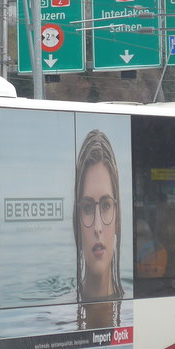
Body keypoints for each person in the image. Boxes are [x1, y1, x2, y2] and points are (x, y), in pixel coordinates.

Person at [73, 129, 124, 328]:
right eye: (87, 208)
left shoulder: (132, 311)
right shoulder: (58, 313)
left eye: (105, 206)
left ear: (117, 216)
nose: (97, 227)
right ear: (76, 220)